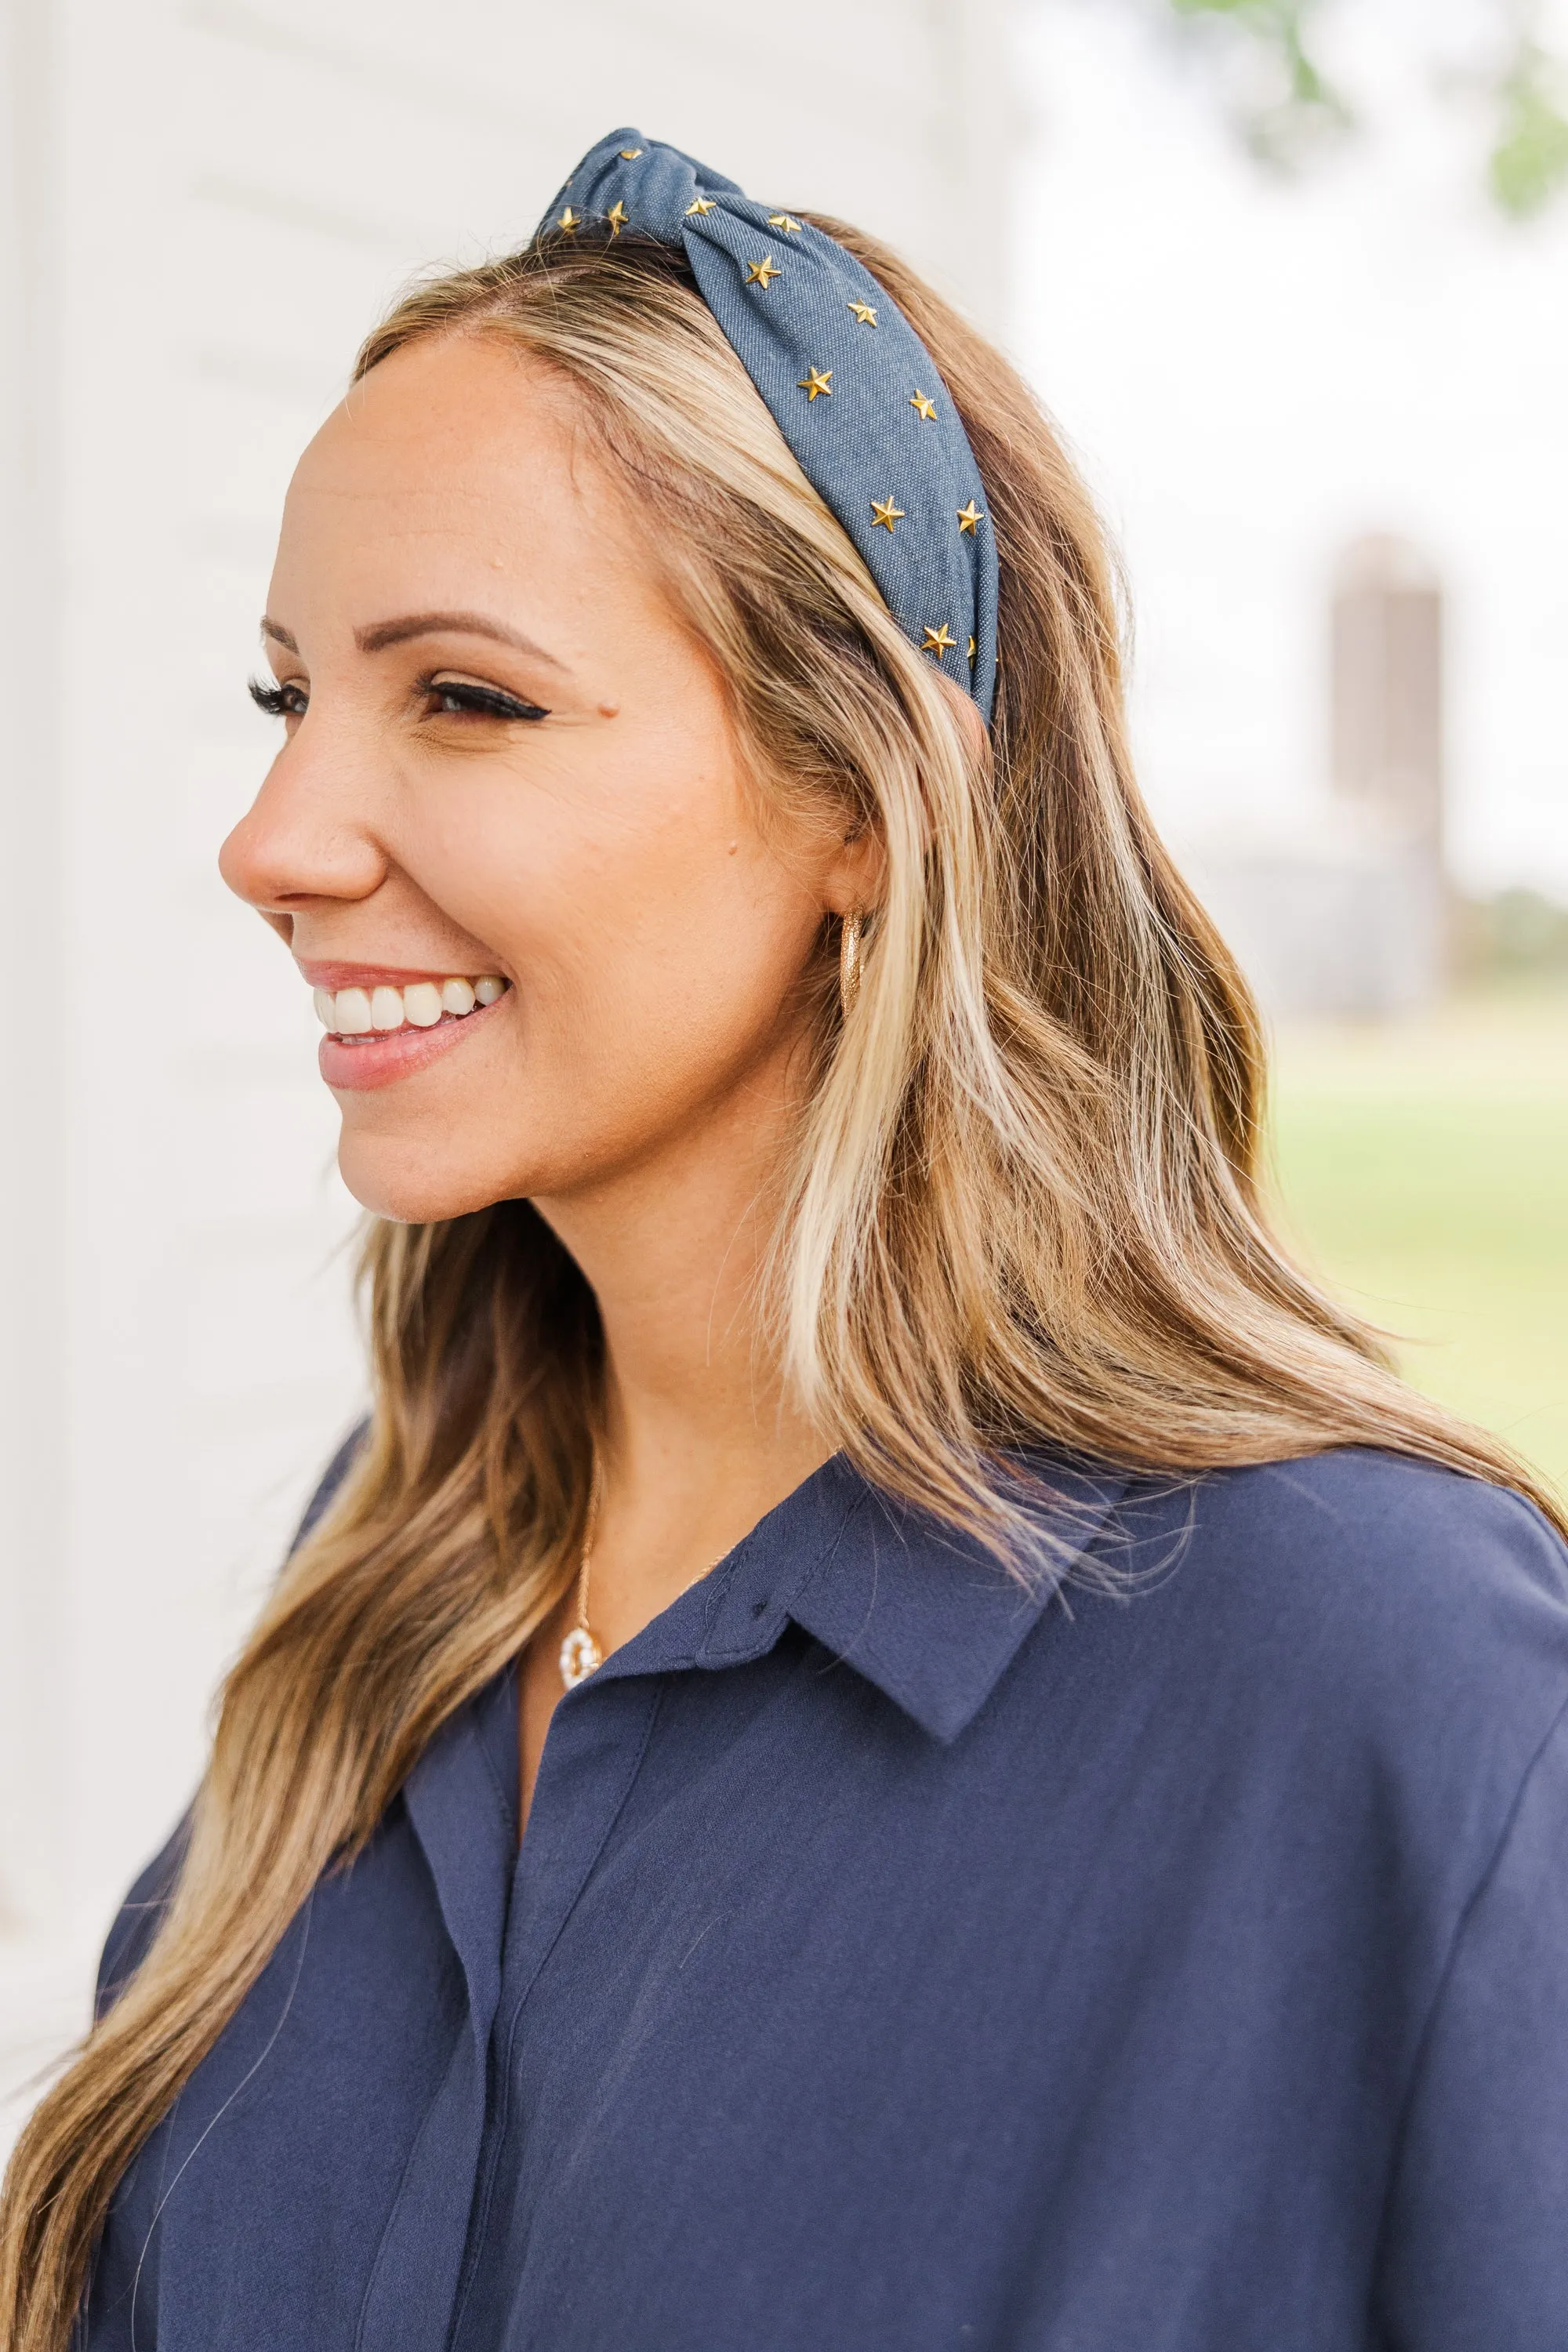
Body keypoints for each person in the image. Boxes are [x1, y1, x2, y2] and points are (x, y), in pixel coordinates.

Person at [3, 127, 1566, 2352]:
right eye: (291, 696)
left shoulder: (1392, 1692)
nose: (273, 839)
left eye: (464, 696)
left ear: (859, 799)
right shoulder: (397, 1563)